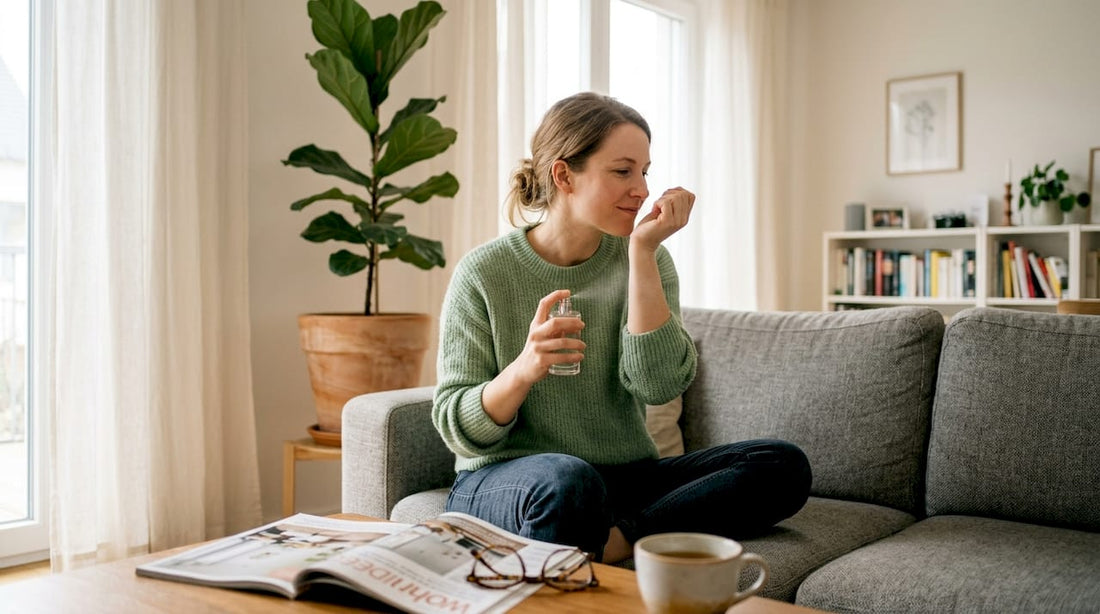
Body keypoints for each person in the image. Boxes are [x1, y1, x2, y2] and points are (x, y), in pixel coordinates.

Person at [432, 92, 811, 563]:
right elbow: (456, 426)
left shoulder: (646, 257)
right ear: (564, 175)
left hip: (623, 478)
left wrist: (643, 255)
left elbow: (659, 385)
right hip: (508, 480)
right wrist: (524, 369)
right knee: (568, 483)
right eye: (622, 171)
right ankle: (605, 531)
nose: (642, 189)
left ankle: (622, 537)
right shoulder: (484, 273)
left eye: (645, 172)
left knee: (779, 465)